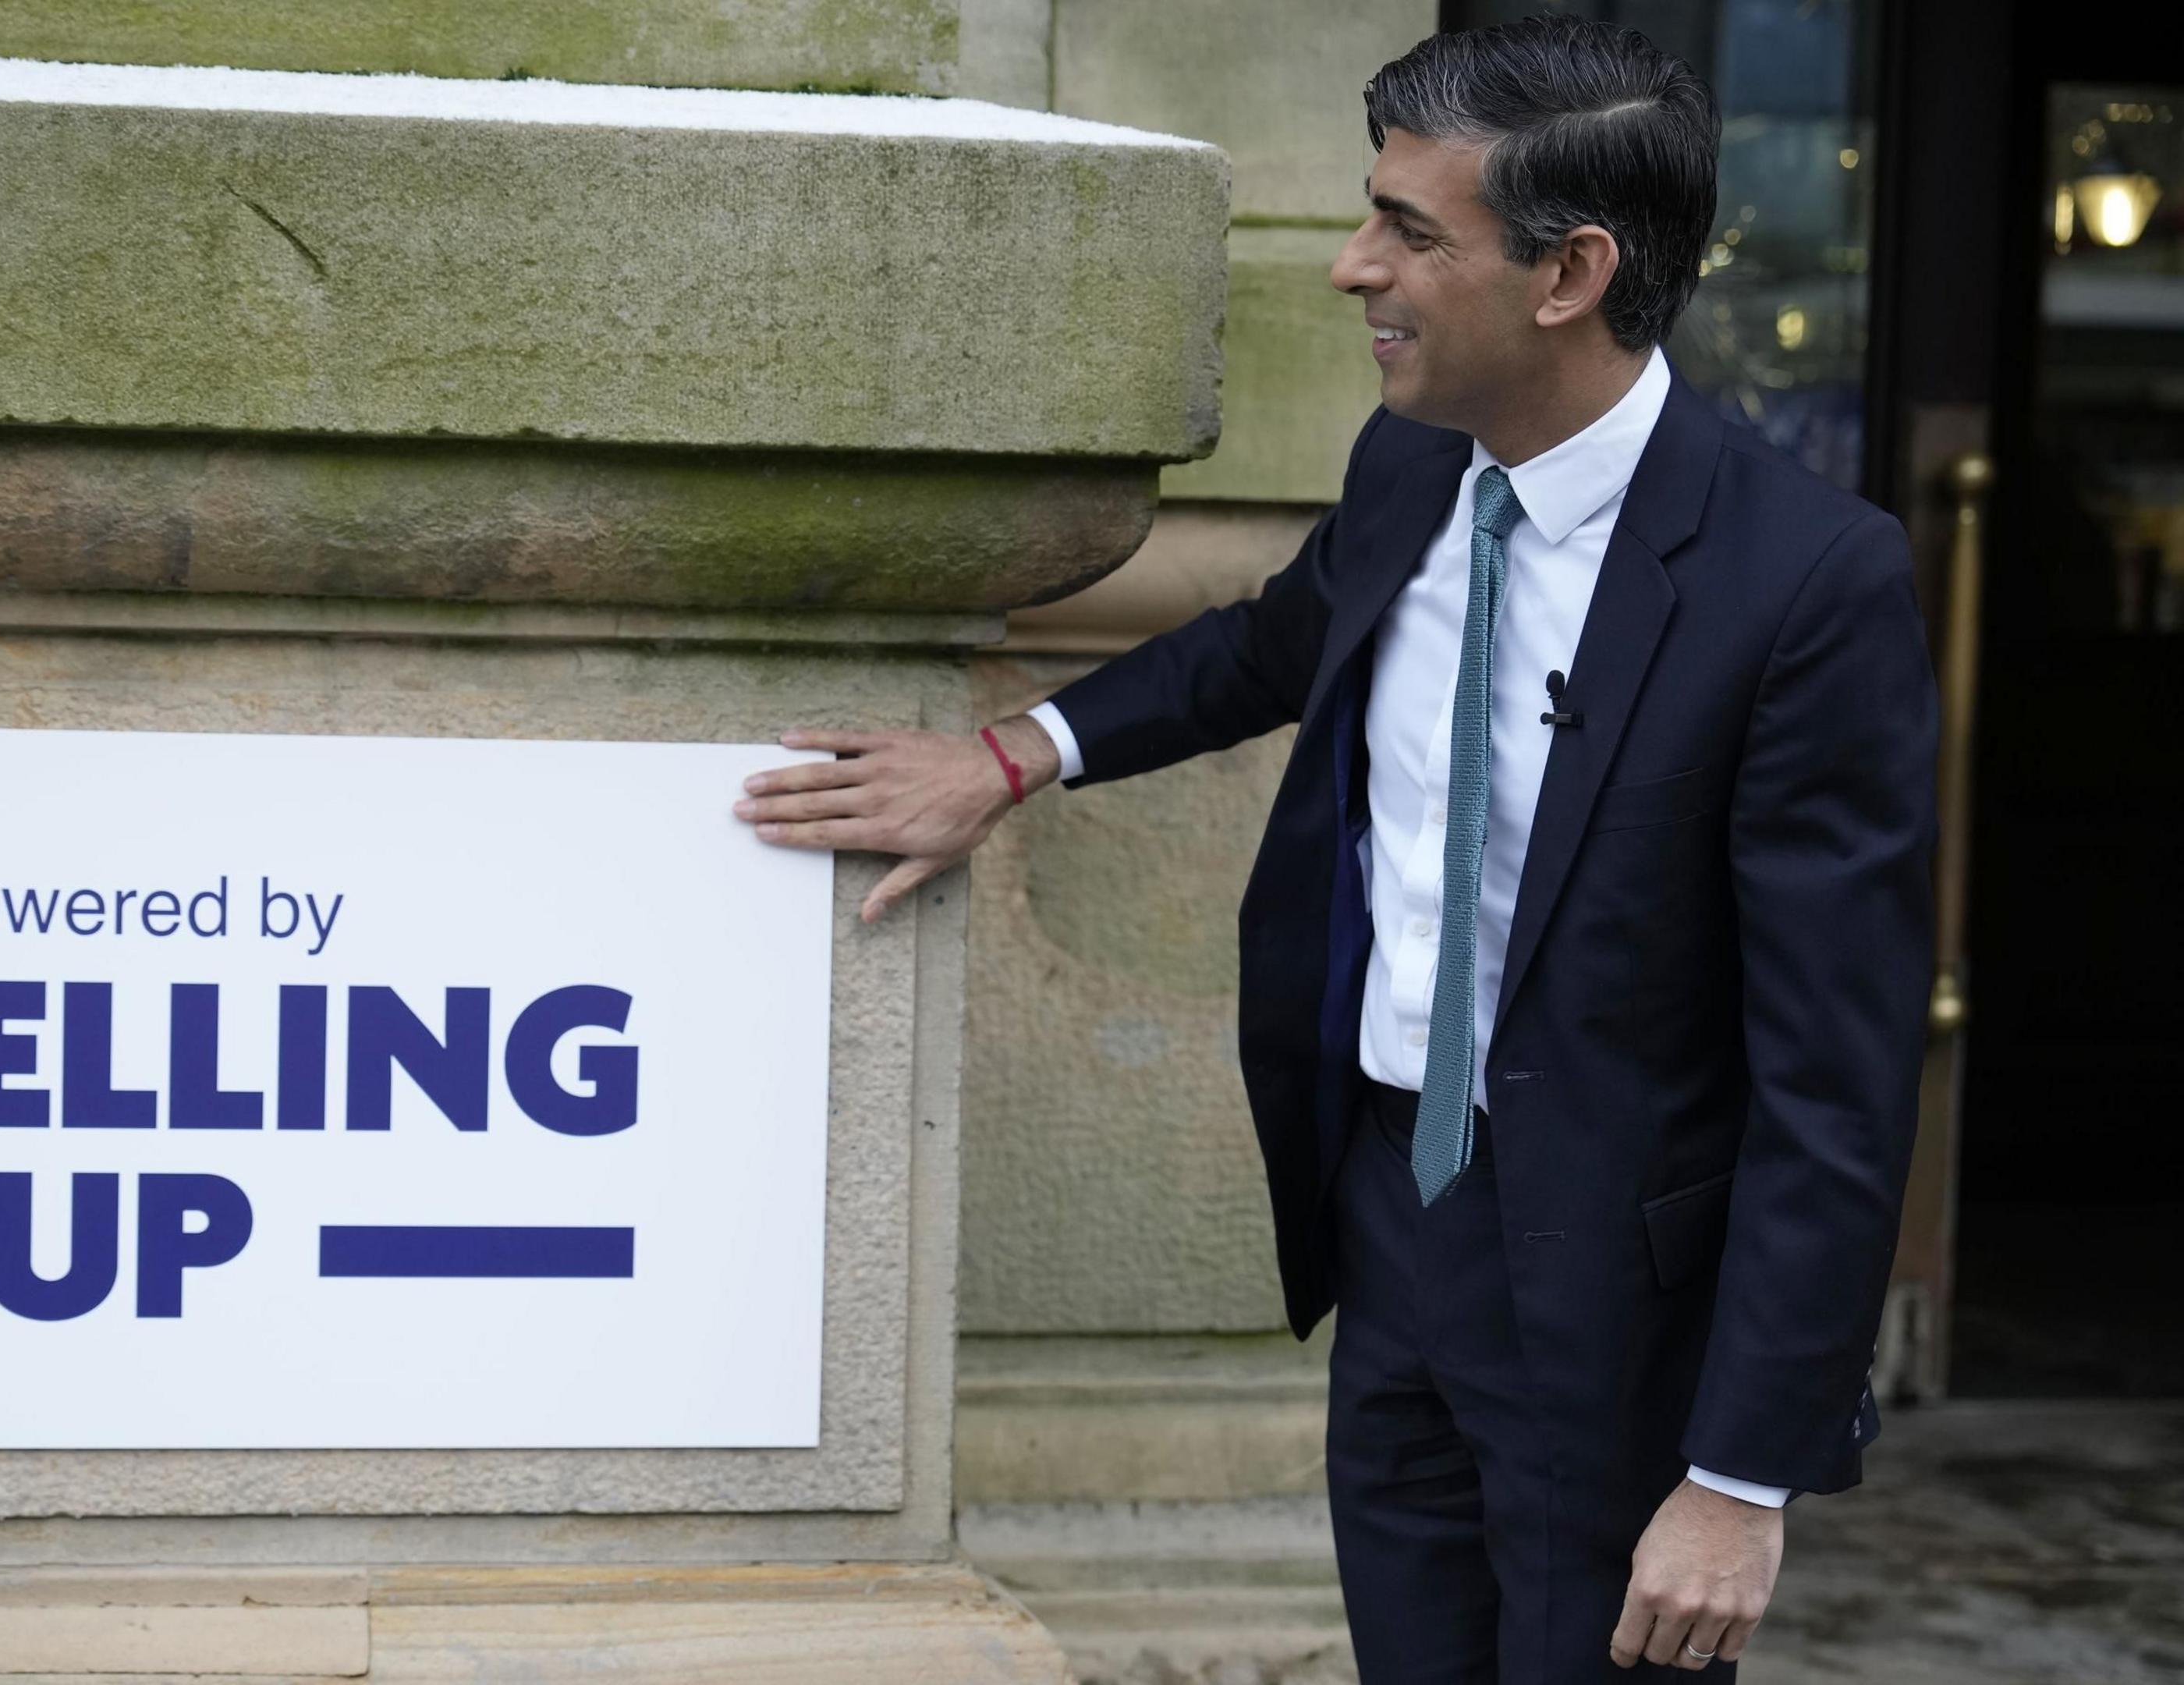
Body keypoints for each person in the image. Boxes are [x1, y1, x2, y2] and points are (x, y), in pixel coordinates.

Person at [736, 16, 1934, 1681]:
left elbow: (1839, 1080)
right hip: (1395, 1224)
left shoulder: (1810, 585)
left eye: (1409, 232)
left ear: (1569, 273)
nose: (1349, 267)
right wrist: (1010, 756)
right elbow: (1275, 643)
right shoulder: (1412, 465)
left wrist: (1741, 1479)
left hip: (1615, 1313)